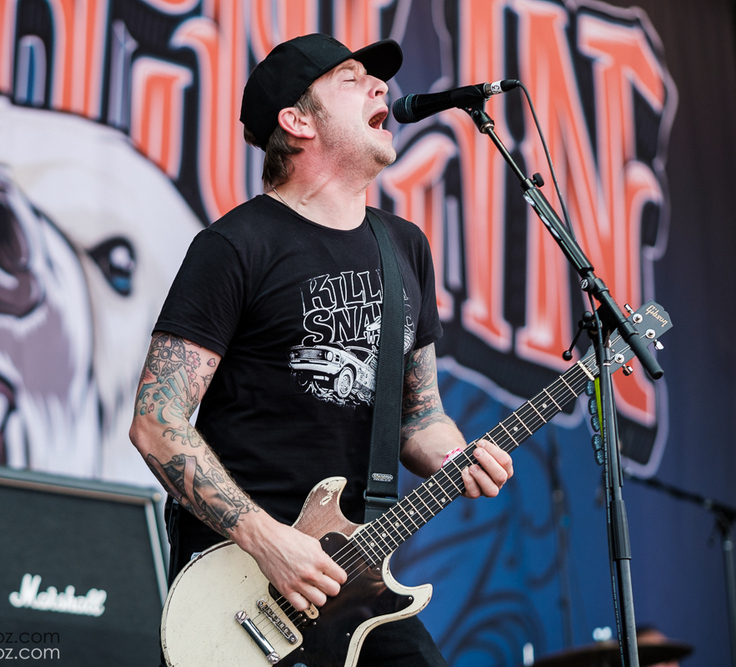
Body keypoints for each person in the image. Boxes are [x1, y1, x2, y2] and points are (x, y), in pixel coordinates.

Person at [129, 33, 513, 666]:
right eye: (351, 78)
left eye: (376, 80)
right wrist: (267, 539)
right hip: (244, 578)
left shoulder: (405, 249)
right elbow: (156, 421)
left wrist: (458, 457)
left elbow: (420, 416)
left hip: (353, 583)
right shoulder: (235, 247)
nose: (380, 87)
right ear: (297, 120)